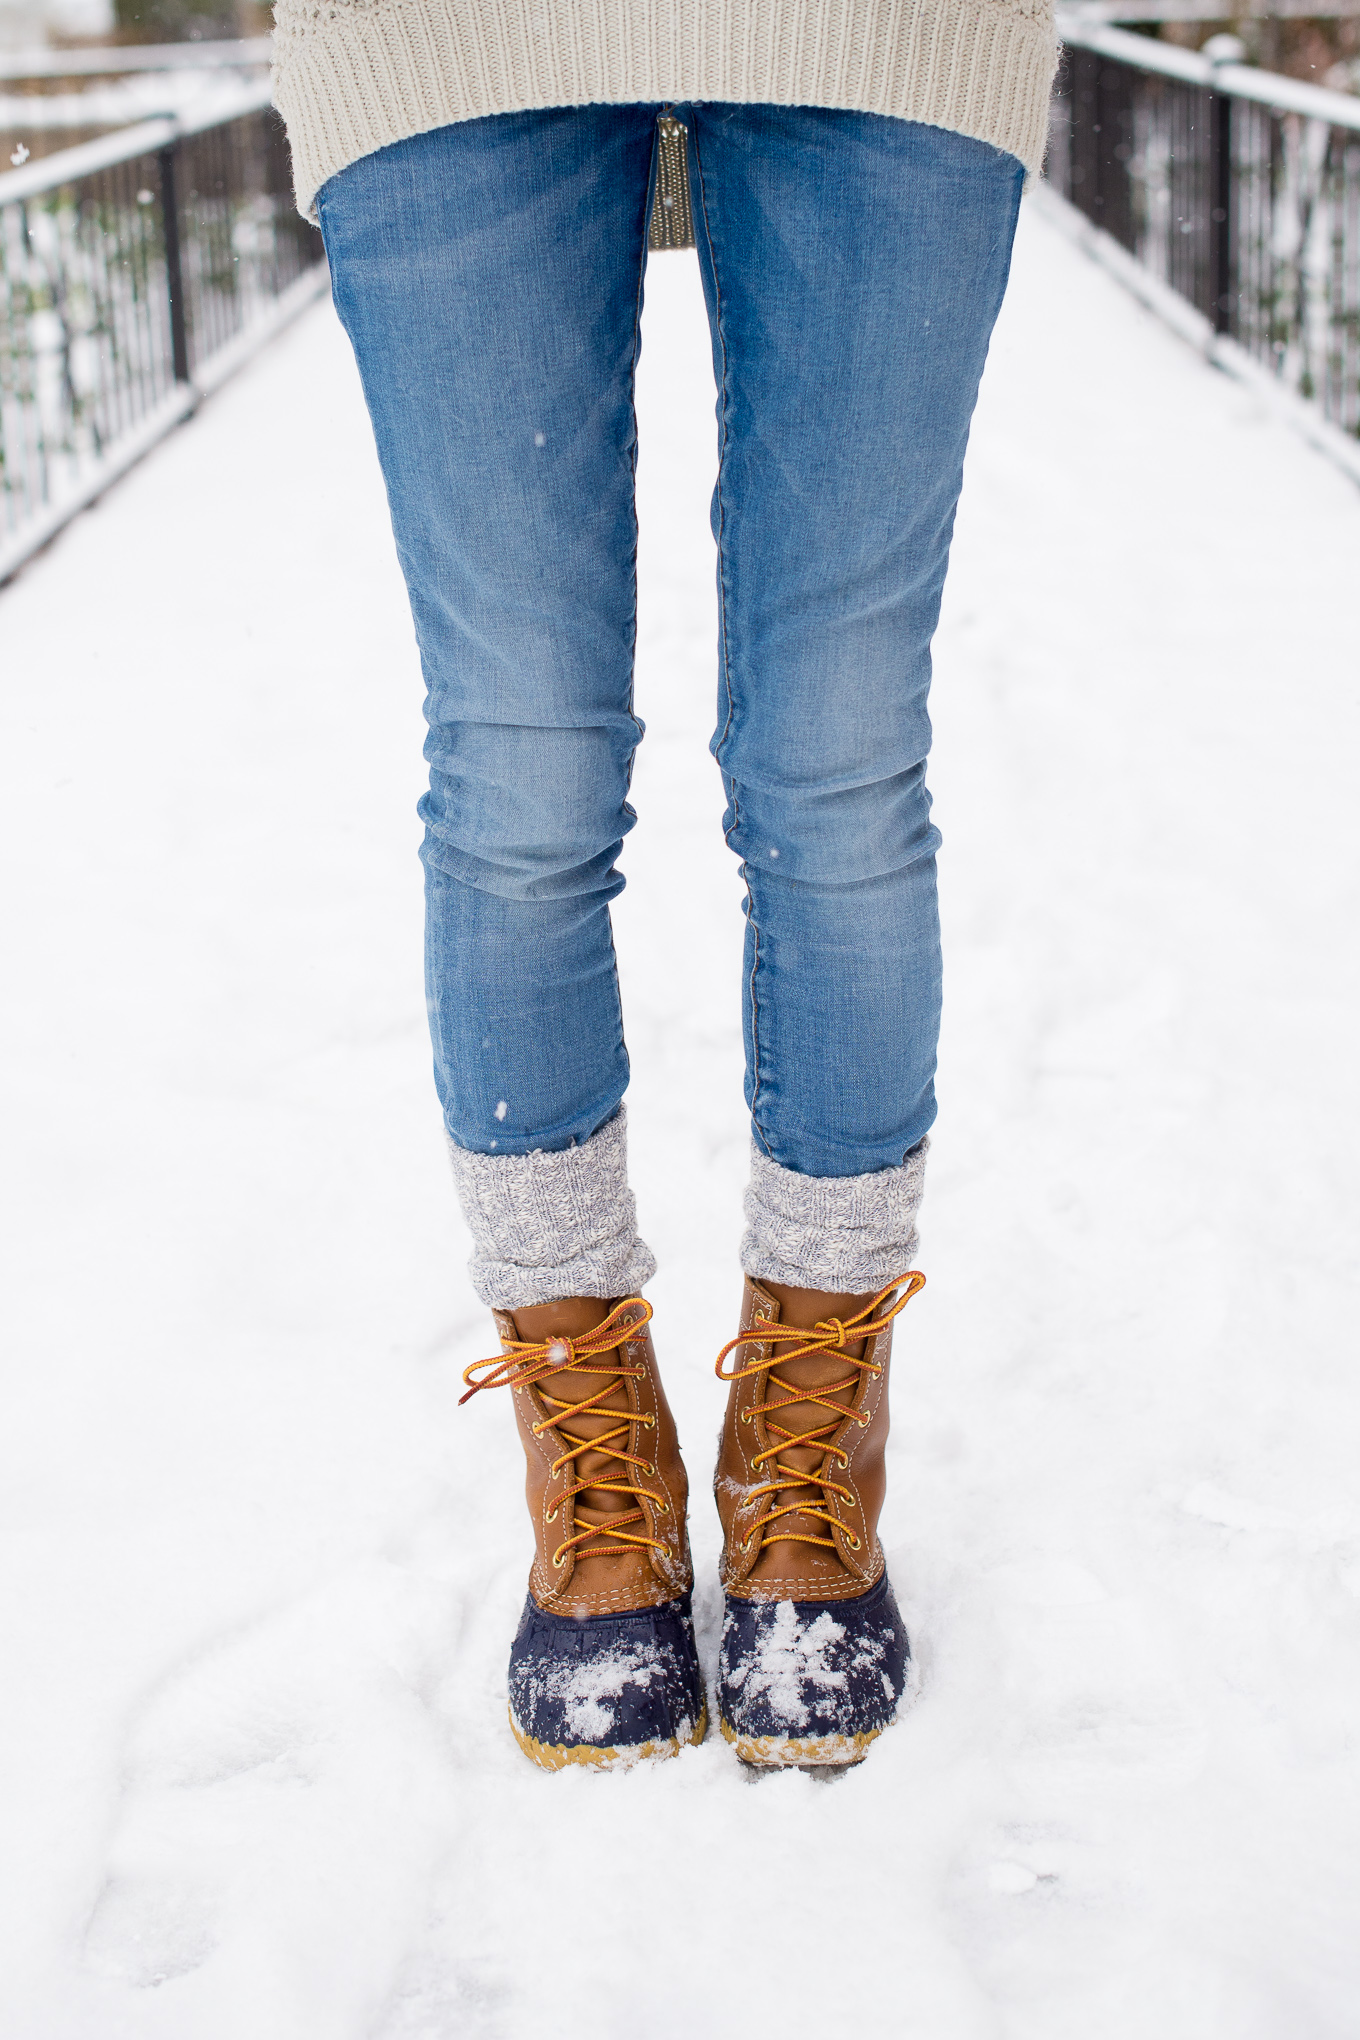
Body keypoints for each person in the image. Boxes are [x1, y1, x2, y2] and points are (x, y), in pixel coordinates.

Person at [272, 0, 1055, 1770]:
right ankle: (582, 1407)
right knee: (522, 762)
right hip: (452, 37)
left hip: (882, 32)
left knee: (837, 761)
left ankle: (816, 1407)